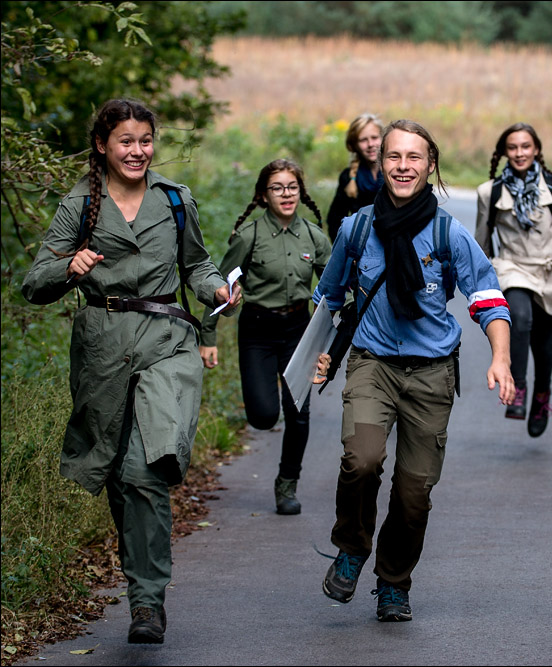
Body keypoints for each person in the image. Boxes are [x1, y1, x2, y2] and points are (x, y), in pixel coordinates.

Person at [21, 98, 240, 644]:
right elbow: (34, 283)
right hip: (103, 351)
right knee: (119, 475)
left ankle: (147, 601)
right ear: (103, 145)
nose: (138, 150)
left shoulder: (174, 198)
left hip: (167, 342)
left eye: (145, 140)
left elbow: (196, 263)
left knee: (146, 470)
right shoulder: (80, 204)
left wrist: (216, 288)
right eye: (126, 141)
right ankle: (140, 581)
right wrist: (69, 267)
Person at [314, 119, 516, 622]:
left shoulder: (449, 233)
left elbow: (488, 298)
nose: (403, 167)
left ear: (430, 165)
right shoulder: (357, 229)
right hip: (372, 364)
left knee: (414, 491)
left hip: (431, 374)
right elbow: (329, 298)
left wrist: (501, 357)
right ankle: (352, 547)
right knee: (361, 460)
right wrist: (313, 360)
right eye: (394, 156)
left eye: (414, 157)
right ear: (380, 162)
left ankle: (393, 582)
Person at [199, 158, 331, 515]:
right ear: (263, 195)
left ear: (301, 192)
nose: (286, 194)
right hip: (257, 330)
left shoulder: (314, 237)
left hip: (298, 330)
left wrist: (339, 329)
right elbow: (218, 287)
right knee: (263, 417)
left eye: (292, 187)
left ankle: (287, 484)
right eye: (277, 188)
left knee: (298, 412)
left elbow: (334, 287)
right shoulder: (249, 237)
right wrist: (208, 336)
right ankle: (264, 406)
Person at [474, 122, 552, 436]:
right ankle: (518, 388)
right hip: (512, 268)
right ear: (504, 152)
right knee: (520, 318)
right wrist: (477, 277)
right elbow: (481, 239)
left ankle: (542, 396)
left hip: (551, 273)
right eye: (512, 147)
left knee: (543, 344)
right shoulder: (490, 192)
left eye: (525, 146)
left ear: (536, 149)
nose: (519, 153)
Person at [326, 114, 384, 240]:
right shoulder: (348, 177)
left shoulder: (395, 173)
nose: (370, 144)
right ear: (354, 145)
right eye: (363, 140)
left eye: (374, 138)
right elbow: (334, 220)